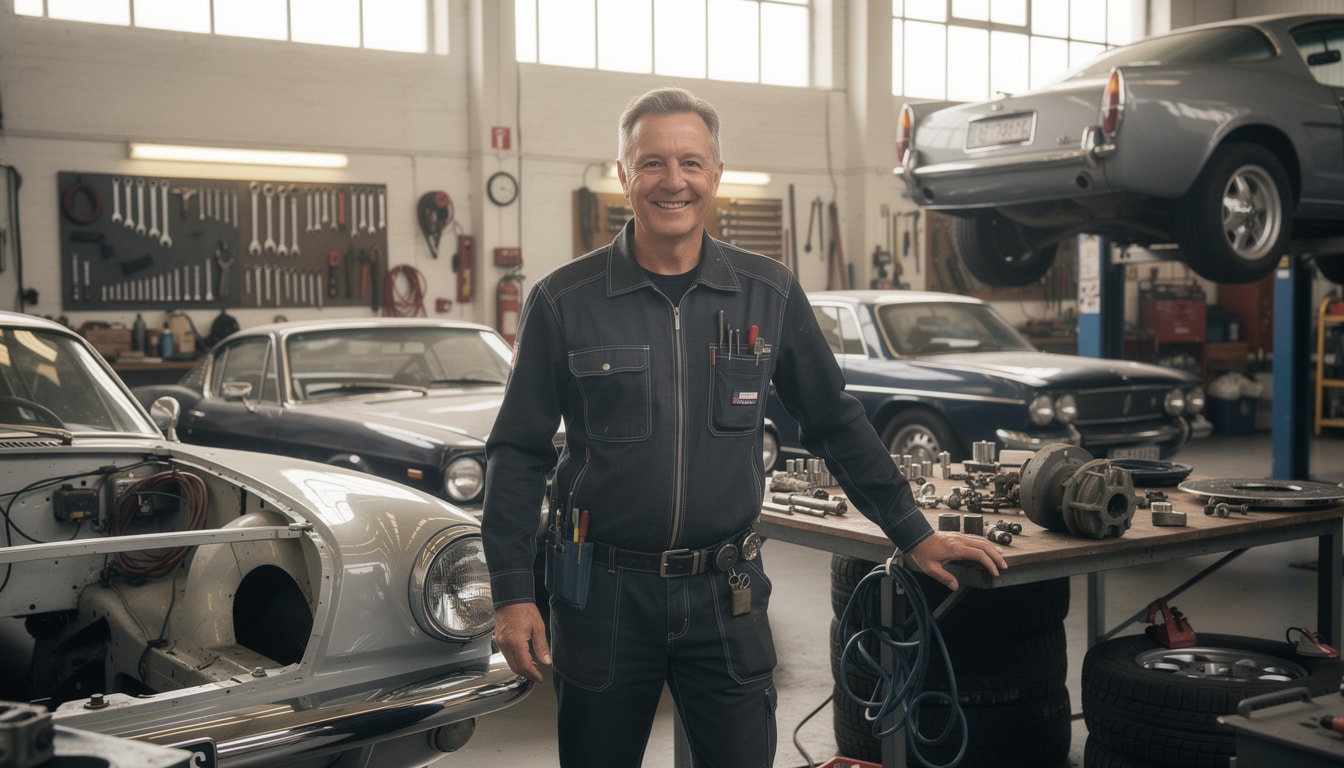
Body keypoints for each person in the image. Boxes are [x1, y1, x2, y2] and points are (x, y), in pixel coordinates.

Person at [482, 86, 1007, 768]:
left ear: (716, 175)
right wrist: (514, 593)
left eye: (691, 163)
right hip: (603, 596)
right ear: (622, 174)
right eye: (652, 164)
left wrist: (913, 531)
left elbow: (834, 420)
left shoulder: (769, 291)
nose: (673, 181)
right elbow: (517, 452)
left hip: (723, 595)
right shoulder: (564, 300)